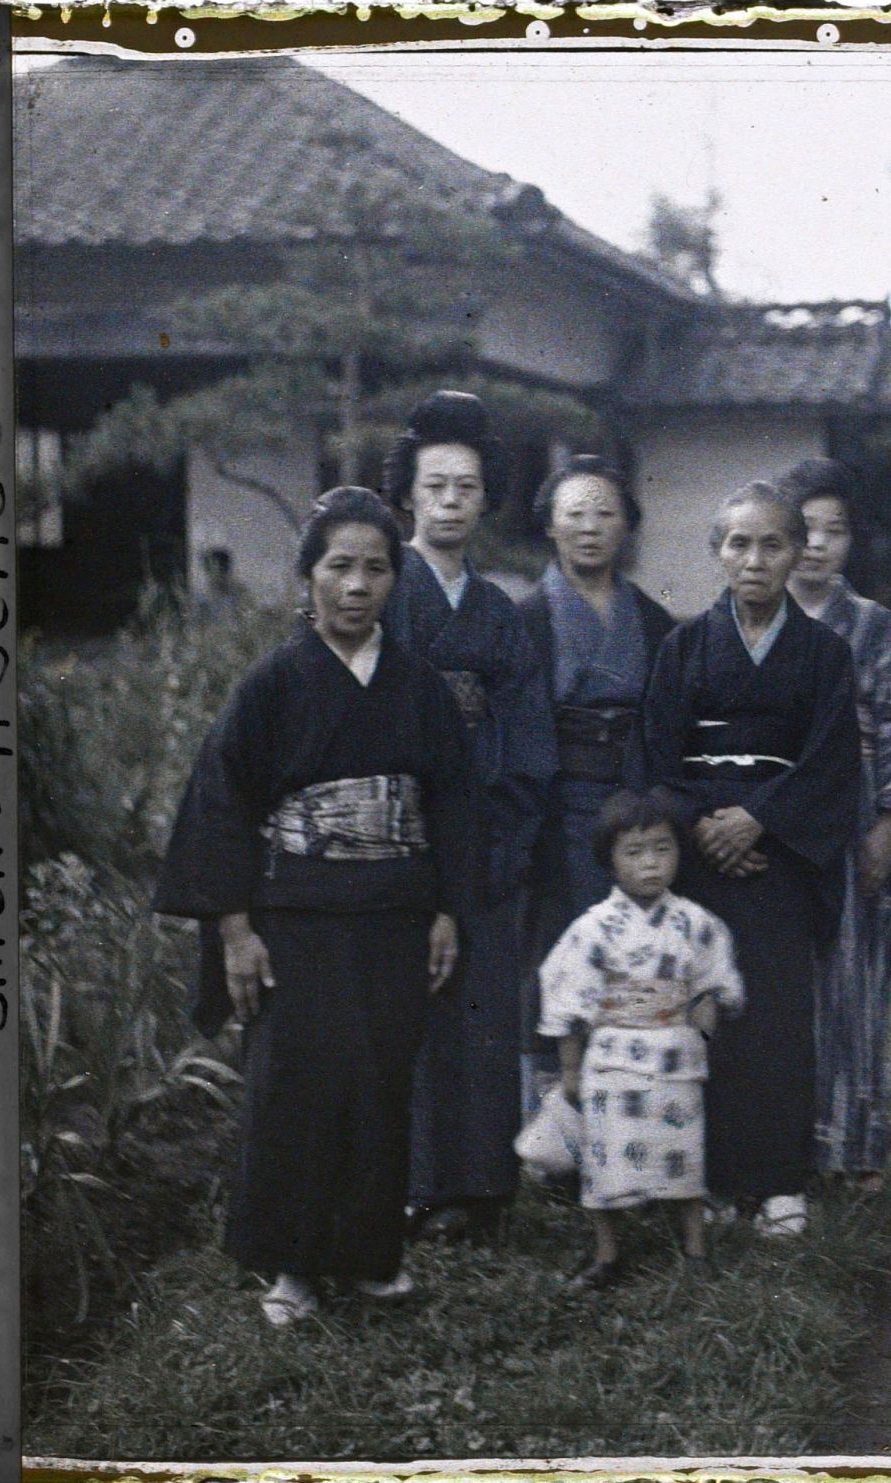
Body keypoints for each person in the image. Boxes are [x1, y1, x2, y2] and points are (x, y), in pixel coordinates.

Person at [153, 488, 476, 1327]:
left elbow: (453, 805)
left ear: (393, 581)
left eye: (375, 567)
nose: (357, 584)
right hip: (295, 913)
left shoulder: (419, 688)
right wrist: (234, 930)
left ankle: (369, 1257)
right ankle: (290, 1265)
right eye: (339, 566)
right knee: (294, 1084)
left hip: (397, 910)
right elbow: (221, 804)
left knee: (380, 1080)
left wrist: (447, 910)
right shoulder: (272, 684)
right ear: (308, 578)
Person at [641, 482, 861, 1238]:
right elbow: (657, 756)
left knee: (773, 1015)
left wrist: (760, 819)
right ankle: (701, 1176)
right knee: (701, 1013)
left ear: (798, 553)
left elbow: (832, 762)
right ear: (718, 552)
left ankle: (775, 1181)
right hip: (703, 852)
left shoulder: (826, 653)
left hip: (778, 855)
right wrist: (707, 825)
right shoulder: (683, 647)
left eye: (772, 543)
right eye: (739, 543)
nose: (755, 559)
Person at [379, 390, 557, 1245]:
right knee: (404, 1009)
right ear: (407, 495)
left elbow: (525, 733)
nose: (451, 501)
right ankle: (407, 1184)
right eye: (436, 485)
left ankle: (479, 1187)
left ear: (487, 500)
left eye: (468, 487)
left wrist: (504, 837)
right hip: (395, 835)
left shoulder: (498, 612)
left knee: (482, 1009)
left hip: (482, 836)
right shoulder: (381, 590)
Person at [520, 456, 676, 1121]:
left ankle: (631, 1113)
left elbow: (668, 719)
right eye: (574, 513)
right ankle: (552, 1124)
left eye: (606, 512)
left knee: (635, 949)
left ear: (627, 527)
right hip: (554, 806)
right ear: (550, 526)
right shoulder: (525, 618)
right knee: (555, 951)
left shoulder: (654, 620)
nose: (590, 527)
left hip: (632, 799)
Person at [537, 789, 745, 1287]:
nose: (650, 864)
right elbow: (567, 1000)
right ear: (609, 862)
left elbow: (715, 985)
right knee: (605, 1161)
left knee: (684, 1157)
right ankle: (608, 1254)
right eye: (634, 853)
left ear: (679, 853)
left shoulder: (696, 923)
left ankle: (695, 1253)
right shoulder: (592, 929)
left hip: (676, 1058)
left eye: (662, 849)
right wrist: (570, 1069)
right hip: (611, 1062)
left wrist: (704, 1024)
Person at [780, 458, 891, 1189]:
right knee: (789, 981)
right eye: (806, 531)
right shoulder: (754, 615)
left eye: (835, 531)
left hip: (856, 809)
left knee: (857, 980)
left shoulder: (873, 624)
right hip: (779, 812)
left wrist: (890, 817)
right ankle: (791, 1142)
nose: (820, 546)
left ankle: (856, 1146)